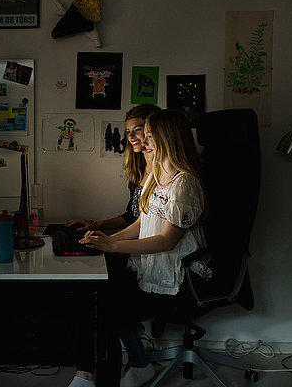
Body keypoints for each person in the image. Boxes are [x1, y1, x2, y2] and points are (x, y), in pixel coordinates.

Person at [68, 109, 210, 387]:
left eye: (149, 137)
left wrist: (114, 245)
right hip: (149, 269)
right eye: (143, 136)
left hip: (179, 279)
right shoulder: (153, 179)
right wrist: (105, 239)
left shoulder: (185, 184)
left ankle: (107, 371)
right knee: (97, 296)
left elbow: (168, 240)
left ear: (167, 139)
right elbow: (141, 224)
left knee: (107, 306)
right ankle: (119, 367)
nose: (142, 143)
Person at [66, 103, 161, 232]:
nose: (130, 136)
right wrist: (96, 225)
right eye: (128, 131)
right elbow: (131, 217)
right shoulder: (137, 171)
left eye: (137, 129)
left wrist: (112, 243)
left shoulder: (166, 173)